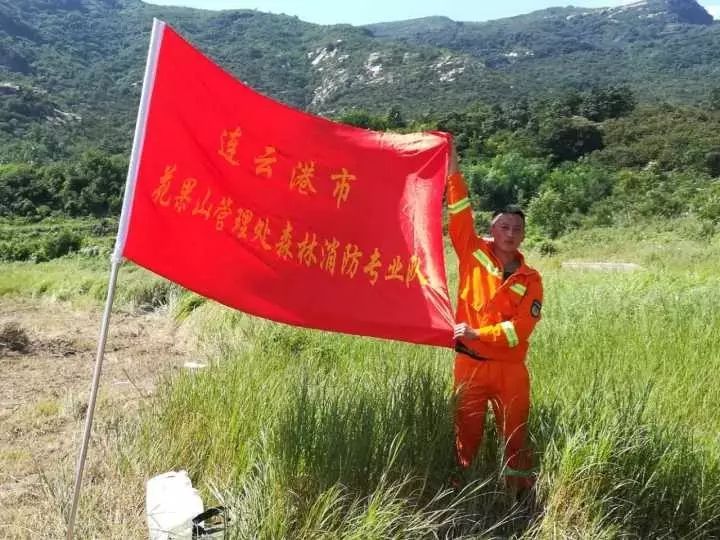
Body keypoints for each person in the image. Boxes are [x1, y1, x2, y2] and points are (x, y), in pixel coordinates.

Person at [446, 144, 543, 491]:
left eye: (517, 228)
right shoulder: (472, 252)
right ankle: (464, 493)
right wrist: (451, 166)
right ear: (493, 228)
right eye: (505, 226)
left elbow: (521, 330)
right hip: (469, 365)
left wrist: (478, 333)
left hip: (510, 369)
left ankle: (519, 499)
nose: (511, 233)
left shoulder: (531, 279)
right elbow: (458, 210)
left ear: (524, 234)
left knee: (515, 434)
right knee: (466, 432)